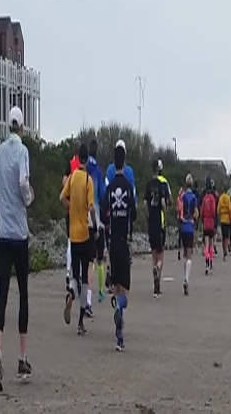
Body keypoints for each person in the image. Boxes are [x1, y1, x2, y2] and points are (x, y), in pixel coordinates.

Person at [0, 106, 35, 391]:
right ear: (22, 126)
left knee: (2, 293)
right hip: (18, 232)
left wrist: (1, 198)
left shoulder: (0, 150)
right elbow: (22, 182)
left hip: (1, 231)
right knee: (24, 294)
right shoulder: (22, 151)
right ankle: (22, 356)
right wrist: (27, 198)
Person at [60, 142, 96, 337]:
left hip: (73, 235)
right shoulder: (88, 180)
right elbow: (91, 207)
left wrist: (71, 207)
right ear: (87, 159)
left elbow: (61, 197)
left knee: (74, 275)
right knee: (84, 277)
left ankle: (70, 294)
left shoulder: (73, 178)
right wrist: (96, 226)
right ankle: (81, 321)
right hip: (85, 233)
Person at [106, 144, 137, 351]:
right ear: (124, 162)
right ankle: (120, 333)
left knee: (116, 286)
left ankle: (119, 334)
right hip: (124, 241)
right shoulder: (128, 186)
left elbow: (103, 209)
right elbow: (133, 214)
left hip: (111, 241)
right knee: (124, 289)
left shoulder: (109, 188)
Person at [145, 159, 171, 298]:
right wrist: (164, 213)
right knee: (161, 254)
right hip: (160, 223)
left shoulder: (148, 185)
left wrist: (148, 215)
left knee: (154, 253)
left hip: (151, 222)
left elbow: (144, 203)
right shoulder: (162, 185)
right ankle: (158, 273)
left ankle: (155, 287)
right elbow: (163, 202)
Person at [87, 140, 108, 306]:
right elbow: (102, 194)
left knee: (89, 261)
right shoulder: (98, 172)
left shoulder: (83, 169)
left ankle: (87, 296)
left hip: (83, 219)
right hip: (97, 219)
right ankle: (101, 292)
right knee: (99, 259)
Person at [63, 145, 81, 293]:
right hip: (80, 211)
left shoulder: (69, 165)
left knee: (69, 240)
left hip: (70, 208)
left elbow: (64, 183)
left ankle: (68, 271)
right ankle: (77, 275)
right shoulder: (82, 169)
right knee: (79, 242)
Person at [180, 175, 199, 295]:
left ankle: (185, 276)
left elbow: (179, 211)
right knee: (189, 254)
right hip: (190, 227)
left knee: (184, 254)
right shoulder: (194, 198)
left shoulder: (182, 197)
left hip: (183, 227)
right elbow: (196, 213)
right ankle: (186, 279)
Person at [201, 182, 218, 274]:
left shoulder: (204, 199)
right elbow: (213, 211)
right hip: (211, 222)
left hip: (205, 222)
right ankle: (211, 262)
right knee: (211, 244)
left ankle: (206, 262)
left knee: (206, 244)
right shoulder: (212, 199)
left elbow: (202, 211)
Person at [218, 185, 231, 261]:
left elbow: (218, 209)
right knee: (227, 236)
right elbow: (230, 209)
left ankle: (224, 250)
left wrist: (219, 214)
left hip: (222, 219)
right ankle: (227, 247)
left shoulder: (221, 198)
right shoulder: (228, 198)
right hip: (227, 218)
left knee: (223, 236)